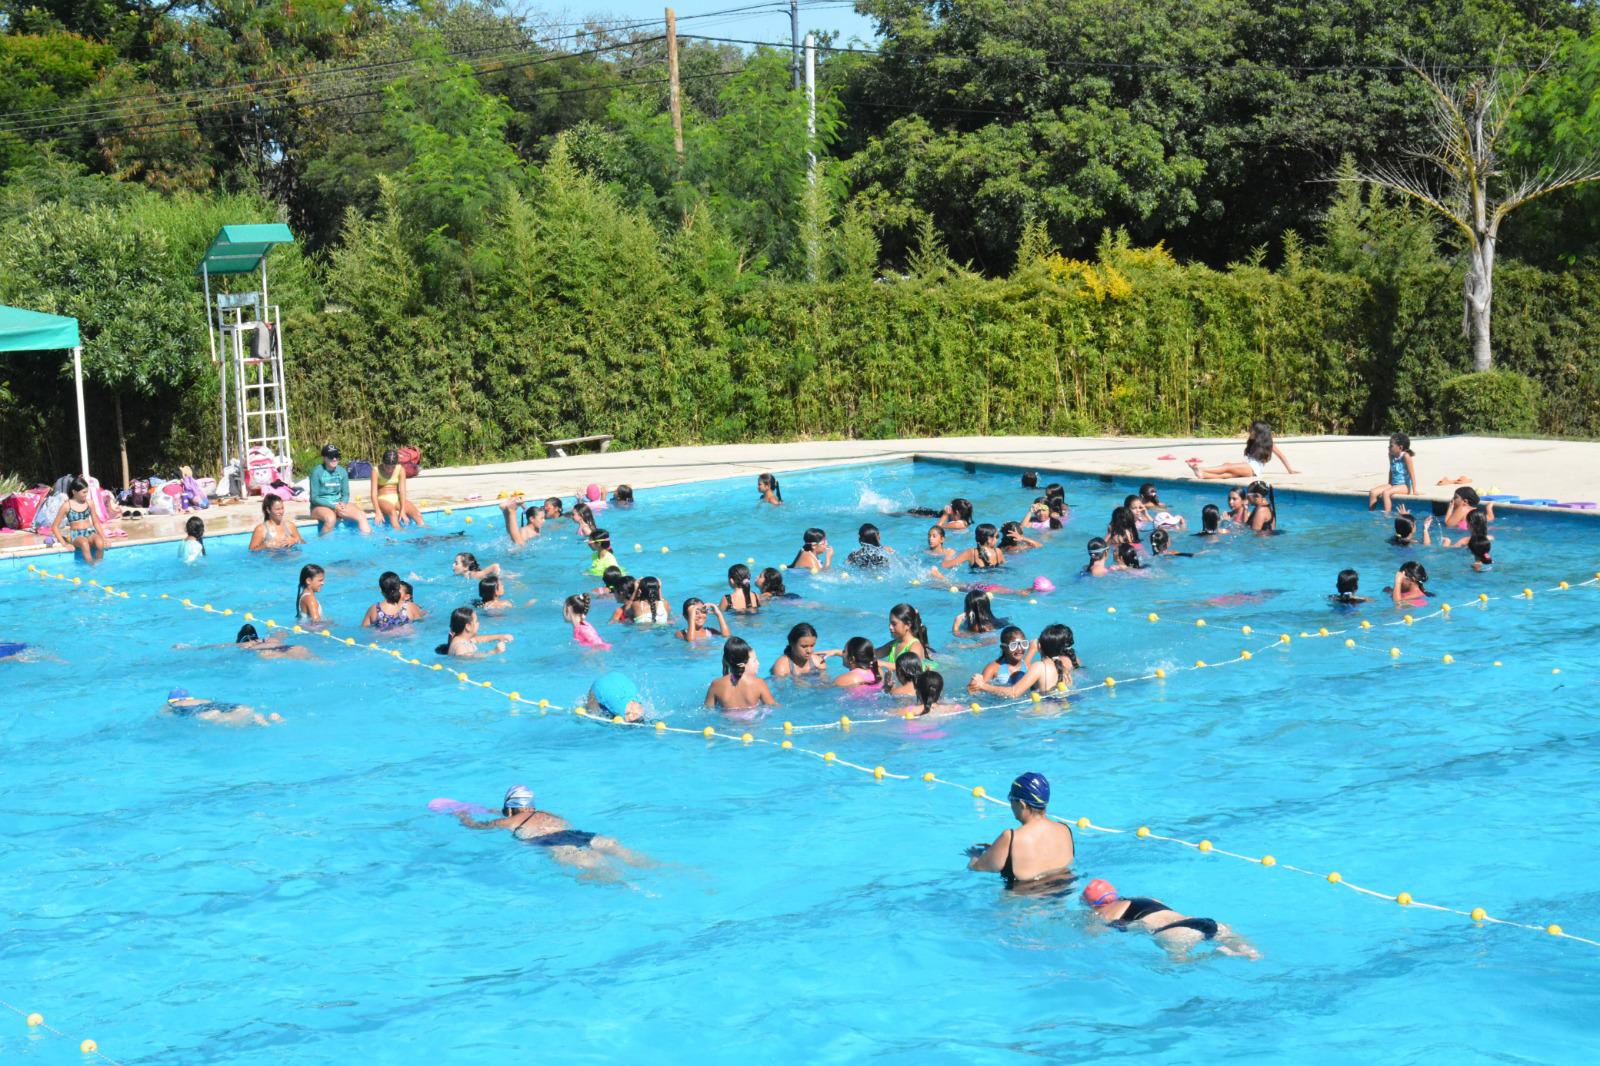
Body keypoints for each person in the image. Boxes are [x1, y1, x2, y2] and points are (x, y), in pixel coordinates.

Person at [454, 785, 648, 877]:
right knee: (628, 856)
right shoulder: (547, 813)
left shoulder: (510, 821)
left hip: (558, 845)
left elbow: (478, 827)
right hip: (582, 835)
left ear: (511, 809)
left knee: (606, 875)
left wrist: (462, 815)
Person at [1081, 878, 1259, 959]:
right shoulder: (1147, 899)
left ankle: (1215, 955)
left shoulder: (1103, 912)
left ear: (1094, 905)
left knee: (1176, 965)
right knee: (1233, 939)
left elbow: (1094, 937)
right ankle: (1246, 950)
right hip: (1203, 922)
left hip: (1175, 934)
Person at [966, 771, 1075, 892]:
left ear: (1022, 804)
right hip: (1064, 894)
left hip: (1025, 903)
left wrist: (975, 855)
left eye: (1011, 800)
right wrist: (1002, 851)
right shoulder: (1065, 829)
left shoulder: (1011, 838)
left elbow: (977, 868)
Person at [968, 623, 1078, 697]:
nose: (1020, 649)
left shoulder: (1037, 666)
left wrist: (982, 685)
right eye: (1014, 645)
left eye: (1023, 644)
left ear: (1039, 646)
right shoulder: (1064, 665)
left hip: (1044, 713)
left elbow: (1014, 693)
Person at [1188, 420, 1297, 480]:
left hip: (1253, 468)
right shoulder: (1253, 442)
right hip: (1251, 467)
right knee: (1226, 475)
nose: (1250, 432)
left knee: (1227, 466)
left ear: (1259, 433)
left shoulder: (1268, 444)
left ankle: (1201, 469)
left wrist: (1290, 470)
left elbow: (1281, 456)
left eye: (1252, 431)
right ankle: (1203, 475)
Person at [308, 444, 371, 535]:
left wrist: (343, 503)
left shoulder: (342, 471)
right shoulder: (317, 472)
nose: (334, 459)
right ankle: (324, 546)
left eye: (336, 456)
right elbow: (314, 498)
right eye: (331, 456)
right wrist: (334, 506)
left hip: (338, 505)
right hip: (319, 507)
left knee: (361, 515)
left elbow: (345, 494)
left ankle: (367, 542)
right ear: (324, 458)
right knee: (331, 519)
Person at [704, 636, 777, 711]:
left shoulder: (716, 685)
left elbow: (707, 710)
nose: (758, 663)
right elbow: (774, 707)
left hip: (727, 721)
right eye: (754, 660)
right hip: (753, 722)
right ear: (742, 664)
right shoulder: (759, 683)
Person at [51, 477, 108, 563]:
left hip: (90, 532)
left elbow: (96, 522)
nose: (86, 494)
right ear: (74, 492)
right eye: (84, 492)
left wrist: (104, 538)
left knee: (100, 543)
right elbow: (54, 527)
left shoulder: (90, 503)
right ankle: (91, 567)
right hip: (76, 535)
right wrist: (65, 543)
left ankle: (98, 565)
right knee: (84, 543)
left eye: (87, 492)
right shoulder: (67, 506)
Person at [165, 688, 282, 727]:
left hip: (204, 710)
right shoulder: (201, 699)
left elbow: (165, 716)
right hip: (223, 705)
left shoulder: (173, 705)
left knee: (221, 719)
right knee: (240, 711)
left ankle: (253, 722)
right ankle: (266, 718)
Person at [371, 448, 425, 529]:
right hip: (383, 499)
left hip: (397, 499)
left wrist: (402, 510)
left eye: (392, 467)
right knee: (393, 514)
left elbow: (402, 491)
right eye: (387, 467)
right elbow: (373, 494)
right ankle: (400, 538)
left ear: (396, 464)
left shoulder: (400, 470)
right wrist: (377, 511)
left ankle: (427, 535)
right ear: (383, 463)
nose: (390, 470)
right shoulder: (376, 471)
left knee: (417, 514)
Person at [435, 606, 512, 657]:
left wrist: (499, 637)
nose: (478, 623)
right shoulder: (460, 646)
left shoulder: (463, 639)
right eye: (476, 621)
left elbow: (479, 639)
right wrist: (494, 651)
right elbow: (467, 659)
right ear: (468, 626)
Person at [1368, 434, 1417, 513]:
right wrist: (1389, 484)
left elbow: (1412, 474)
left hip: (1404, 486)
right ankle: (1370, 513)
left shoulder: (1406, 456)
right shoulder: (1391, 455)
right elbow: (1391, 469)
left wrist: (1414, 491)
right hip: (1393, 484)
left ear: (1400, 448)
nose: (1388, 448)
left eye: (1391, 446)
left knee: (1386, 493)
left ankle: (1387, 516)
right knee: (1373, 492)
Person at [770, 622, 839, 678]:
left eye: (812, 645)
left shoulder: (818, 662)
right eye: (804, 646)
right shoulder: (782, 667)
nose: (809, 651)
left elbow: (826, 685)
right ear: (791, 643)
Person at [234, 623, 313, 659]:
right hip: (291, 647)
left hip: (267, 652)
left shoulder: (245, 644)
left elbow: (224, 646)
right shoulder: (269, 639)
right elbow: (282, 632)